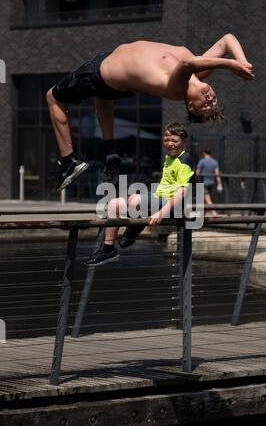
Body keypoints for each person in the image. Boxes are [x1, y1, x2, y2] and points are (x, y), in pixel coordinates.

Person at [46, 34, 254, 190]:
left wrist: (229, 64)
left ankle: (68, 161)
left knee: (53, 97)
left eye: (206, 106)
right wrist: (243, 62)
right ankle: (110, 149)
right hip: (112, 73)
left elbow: (185, 63)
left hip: (98, 73)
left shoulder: (176, 87)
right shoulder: (201, 72)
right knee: (104, 96)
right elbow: (227, 40)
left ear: (191, 106)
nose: (210, 100)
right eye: (213, 100)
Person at [85, 122, 194, 266]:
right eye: (167, 140)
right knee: (113, 204)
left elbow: (181, 192)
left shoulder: (184, 160)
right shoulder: (169, 158)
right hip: (159, 199)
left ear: (183, 141)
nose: (170, 144)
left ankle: (134, 228)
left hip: (175, 206)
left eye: (174, 140)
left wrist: (160, 214)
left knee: (135, 200)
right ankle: (108, 249)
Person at [196, 149, 223, 218]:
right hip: (211, 183)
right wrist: (219, 183)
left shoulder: (202, 161)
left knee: (207, 198)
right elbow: (217, 174)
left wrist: (194, 178)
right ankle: (202, 215)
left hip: (203, 183)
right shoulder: (215, 162)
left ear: (204, 153)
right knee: (205, 198)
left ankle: (213, 212)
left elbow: (197, 172)